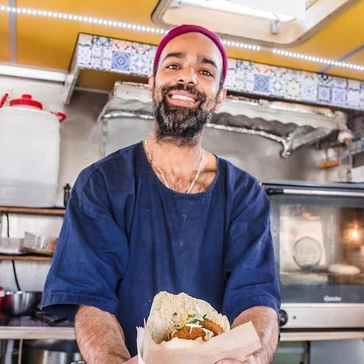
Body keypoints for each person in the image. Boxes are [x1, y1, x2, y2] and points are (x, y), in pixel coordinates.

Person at [42, 24, 281, 364]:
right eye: (173, 65)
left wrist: (252, 359)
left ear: (220, 95)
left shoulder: (245, 195)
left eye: (205, 70)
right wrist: (112, 359)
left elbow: (256, 299)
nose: (188, 78)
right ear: (152, 84)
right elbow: (92, 299)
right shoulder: (102, 183)